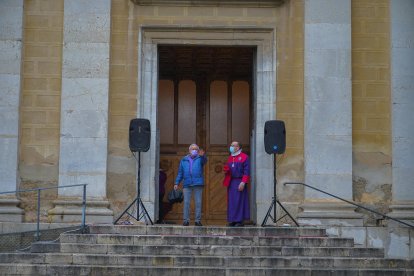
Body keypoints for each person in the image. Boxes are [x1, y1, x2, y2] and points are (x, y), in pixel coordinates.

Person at [174, 144, 207, 226]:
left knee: (198, 203)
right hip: (187, 184)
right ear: (189, 150)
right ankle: (186, 220)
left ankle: (197, 220)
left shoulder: (200, 159)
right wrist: (176, 183)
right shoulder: (184, 160)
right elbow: (180, 173)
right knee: (186, 203)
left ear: (198, 151)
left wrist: (203, 156)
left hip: (198, 184)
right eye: (192, 149)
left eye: (196, 149)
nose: (194, 150)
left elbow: (205, 161)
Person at [223, 141, 250, 227]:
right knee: (232, 202)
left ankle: (239, 221)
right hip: (232, 182)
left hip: (240, 181)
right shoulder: (230, 157)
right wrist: (227, 170)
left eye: (233, 145)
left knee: (239, 201)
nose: (231, 147)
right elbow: (230, 170)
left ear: (238, 147)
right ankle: (233, 220)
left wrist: (243, 182)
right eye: (231, 145)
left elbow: (247, 171)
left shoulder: (244, 157)